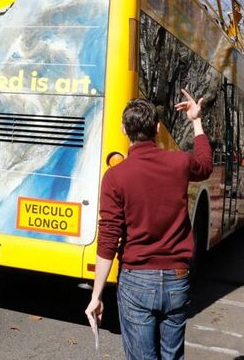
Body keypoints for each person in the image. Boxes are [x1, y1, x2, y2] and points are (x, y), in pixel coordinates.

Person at [85, 92, 212, 360]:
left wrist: (96, 295)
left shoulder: (115, 177)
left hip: (137, 279)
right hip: (178, 278)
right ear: (157, 128)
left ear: (124, 130)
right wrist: (196, 120)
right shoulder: (179, 162)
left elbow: (109, 239)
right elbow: (205, 165)